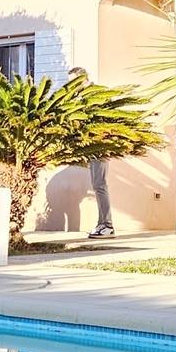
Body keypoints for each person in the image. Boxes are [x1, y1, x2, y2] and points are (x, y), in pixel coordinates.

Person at [68, 66, 116, 238]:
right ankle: (102, 224)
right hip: (93, 146)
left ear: (81, 79)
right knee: (98, 185)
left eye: (72, 82)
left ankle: (107, 226)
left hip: (101, 145)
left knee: (99, 185)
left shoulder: (96, 95)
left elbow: (106, 118)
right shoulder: (83, 97)